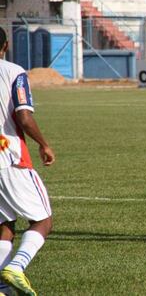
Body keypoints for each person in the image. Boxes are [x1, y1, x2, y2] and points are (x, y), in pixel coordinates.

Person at [0, 27, 55, 295]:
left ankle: (0, 286)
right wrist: (44, 144)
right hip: (10, 157)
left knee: (4, 225)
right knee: (43, 221)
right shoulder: (14, 71)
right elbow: (23, 116)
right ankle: (17, 267)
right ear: (6, 45)